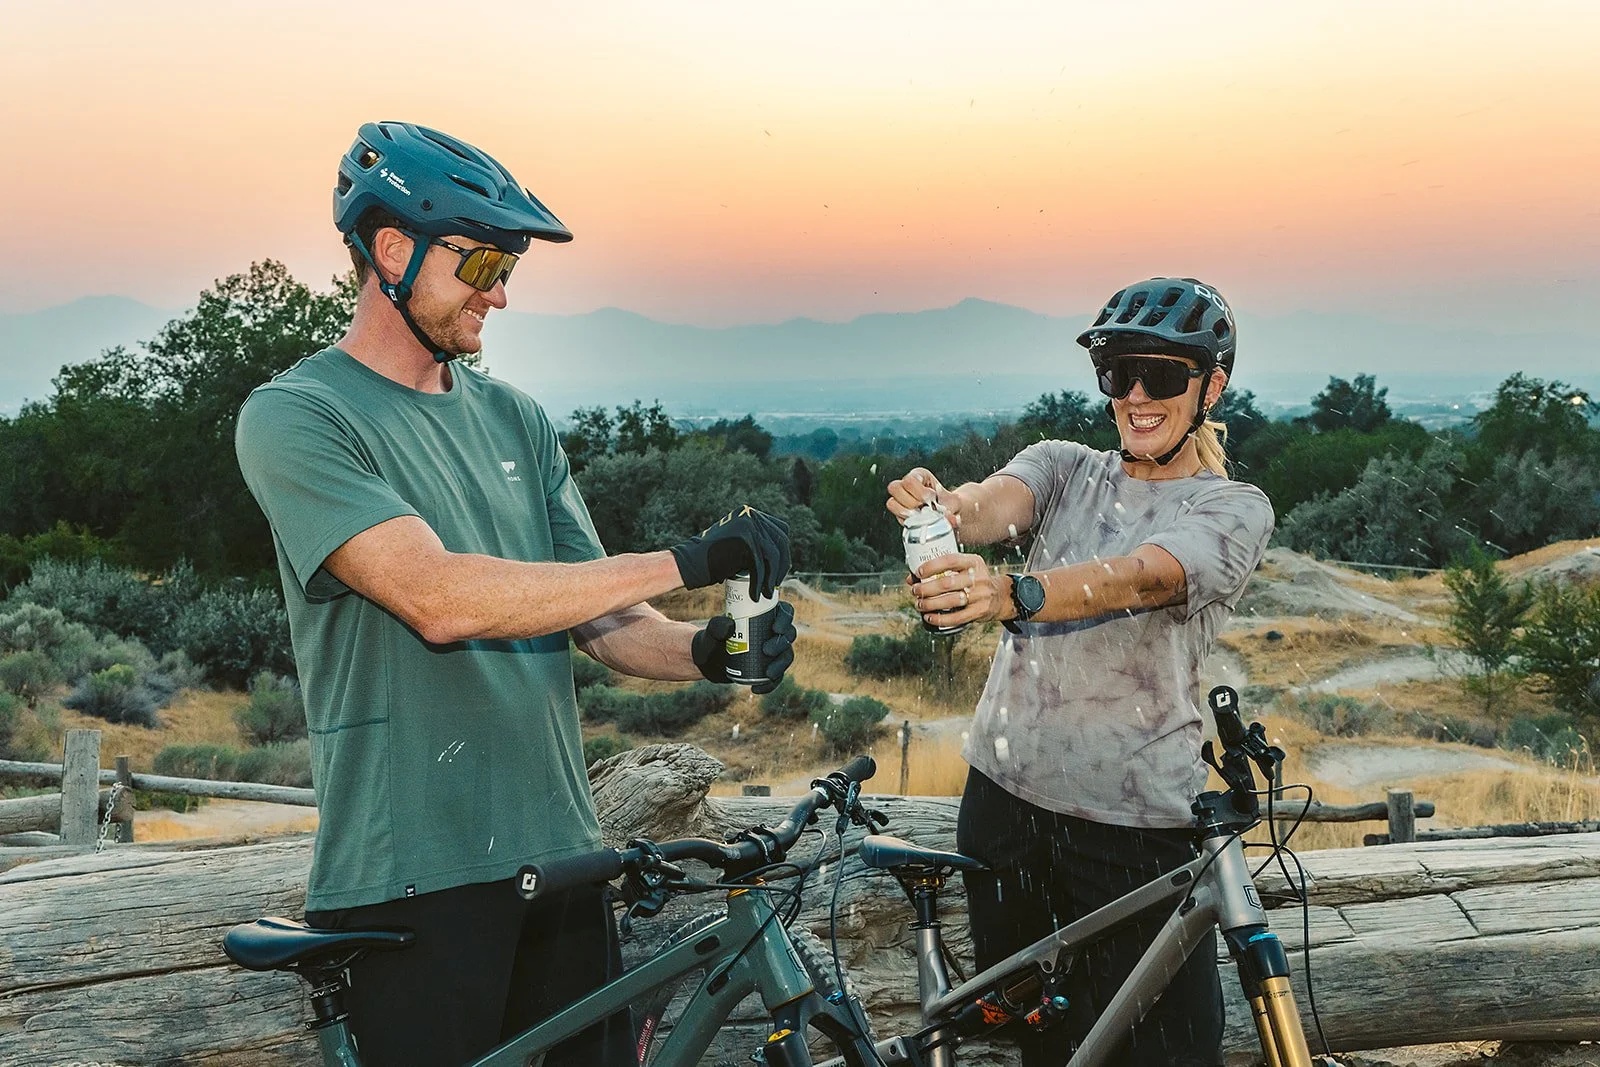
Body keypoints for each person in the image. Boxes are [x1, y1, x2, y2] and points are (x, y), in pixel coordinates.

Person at [234, 121, 798, 1067]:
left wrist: (707, 651)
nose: (500, 291)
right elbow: (437, 596)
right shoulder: (298, 416)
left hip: (565, 860)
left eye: (512, 267)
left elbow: (604, 617)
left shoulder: (514, 418)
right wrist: (686, 557)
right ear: (390, 248)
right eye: (484, 259)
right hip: (412, 875)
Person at [885, 277, 1274, 1066]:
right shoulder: (1065, 465)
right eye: (1118, 372)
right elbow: (993, 504)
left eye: (1161, 375)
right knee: (1042, 1045)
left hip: (1133, 828)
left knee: (1171, 1048)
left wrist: (1011, 591)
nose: (1135, 394)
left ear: (1212, 387)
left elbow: (1142, 577)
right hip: (1004, 807)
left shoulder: (1233, 508)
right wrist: (940, 507)